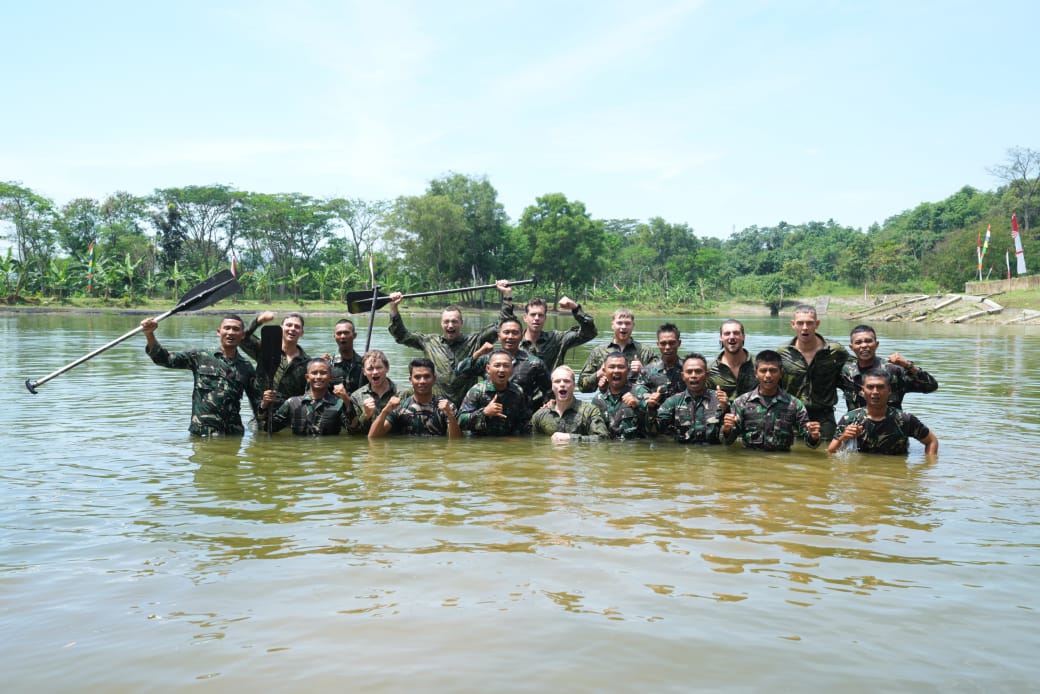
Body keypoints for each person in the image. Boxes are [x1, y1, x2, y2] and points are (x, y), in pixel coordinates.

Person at [386, 279, 513, 406]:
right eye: (446, 322)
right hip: (436, 409)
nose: (450, 325)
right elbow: (401, 336)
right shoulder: (428, 342)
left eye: (454, 321)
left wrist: (507, 296)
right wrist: (394, 307)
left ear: (461, 323)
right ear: (441, 323)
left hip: (467, 407)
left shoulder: (475, 341)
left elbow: (502, 326)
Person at [140, 313, 259, 436]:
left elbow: (257, 405)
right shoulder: (200, 357)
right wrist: (150, 334)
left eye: (236, 329)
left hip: (232, 435)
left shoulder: (246, 367)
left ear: (243, 335)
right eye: (227, 328)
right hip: (203, 434)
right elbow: (164, 359)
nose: (230, 332)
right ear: (219, 332)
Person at [722, 349, 821, 452]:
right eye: (763, 371)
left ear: (781, 373)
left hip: (781, 461)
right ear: (756, 373)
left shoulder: (794, 404)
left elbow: (811, 444)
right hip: (750, 460)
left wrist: (814, 435)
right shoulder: (741, 403)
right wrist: (726, 429)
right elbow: (728, 441)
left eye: (773, 370)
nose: (768, 375)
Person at [777, 305, 848, 441]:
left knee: (824, 457)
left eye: (809, 323)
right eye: (800, 323)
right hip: (791, 416)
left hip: (824, 418)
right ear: (793, 324)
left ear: (817, 324)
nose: (805, 327)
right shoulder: (783, 353)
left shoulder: (835, 351)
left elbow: (857, 370)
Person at [829, 370, 939, 455]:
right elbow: (831, 451)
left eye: (880, 387)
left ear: (889, 390)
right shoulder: (850, 418)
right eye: (870, 387)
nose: (875, 392)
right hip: (862, 477)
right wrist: (843, 438)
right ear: (863, 391)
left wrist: (928, 466)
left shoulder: (904, 419)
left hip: (895, 476)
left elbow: (931, 441)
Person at [455, 317, 551, 410]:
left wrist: (546, 406)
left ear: (521, 336)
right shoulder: (487, 359)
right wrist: (477, 354)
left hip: (521, 419)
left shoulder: (534, 363)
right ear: (499, 336)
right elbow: (459, 372)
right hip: (490, 417)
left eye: (515, 333)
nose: (510, 337)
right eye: (506, 332)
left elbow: (549, 390)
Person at [839, 324, 939, 411]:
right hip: (856, 429)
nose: (864, 345)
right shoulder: (845, 372)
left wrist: (908, 365)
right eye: (858, 342)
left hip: (890, 428)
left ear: (876, 344)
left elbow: (931, 386)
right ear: (851, 347)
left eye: (868, 341)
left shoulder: (894, 371)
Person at [369, 358, 462, 438]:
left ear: (434, 378)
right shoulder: (400, 408)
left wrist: (450, 416)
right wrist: (385, 411)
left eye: (427, 376)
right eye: (417, 377)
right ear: (410, 380)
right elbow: (373, 437)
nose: (422, 381)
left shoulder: (447, 407)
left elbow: (456, 442)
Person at [500, 296, 597, 370]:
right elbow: (503, 325)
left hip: (552, 393)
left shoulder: (556, 339)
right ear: (525, 317)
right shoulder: (514, 342)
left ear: (545, 318)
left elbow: (589, 333)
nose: (537, 318)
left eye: (540, 315)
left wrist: (575, 308)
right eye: (533, 315)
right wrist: (507, 297)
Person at [260, 358, 352, 435]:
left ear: (330, 377)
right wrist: (264, 406)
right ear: (307, 377)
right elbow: (269, 428)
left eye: (323, 373)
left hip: (327, 454)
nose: (318, 376)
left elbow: (354, 430)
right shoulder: (292, 403)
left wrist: (347, 400)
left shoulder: (339, 404)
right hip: (300, 454)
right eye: (314, 373)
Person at [241, 311, 310, 414]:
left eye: (297, 327)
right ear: (281, 328)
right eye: (289, 325)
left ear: (302, 333)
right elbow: (241, 337)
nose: (292, 329)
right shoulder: (265, 349)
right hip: (262, 413)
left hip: (289, 417)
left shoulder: (307, 362)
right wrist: (258, 321)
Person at [578, 309, 658, 393]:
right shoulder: (599, 352)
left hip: (637, 402)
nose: (623, 327)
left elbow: (663, 383)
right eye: (619, 323)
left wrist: (644, 371)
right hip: (608, 403)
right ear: (612, 325)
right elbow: (582, 387)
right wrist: (599, 373)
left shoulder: (645, 352)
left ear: (633, 325)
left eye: (627, 323)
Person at [654, 353, 728, 444]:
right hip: (683, 454)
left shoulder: (720, 400)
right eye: (689, 372)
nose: (693, 375)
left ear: (707, 375)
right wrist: (650, 408)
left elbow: (730, 438)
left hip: (712, 454)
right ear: (683, 376)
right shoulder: (673, 402)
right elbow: (654, 431)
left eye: (698, 371)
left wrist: (726, 409)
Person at [458, 350, 533, 436]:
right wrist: (484, 413)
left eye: (506, 366)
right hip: (479, 443)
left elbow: (524, 421)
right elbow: (460, 420)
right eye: (497, 365)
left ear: (512, 369)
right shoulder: (477, 391)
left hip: (507, 443)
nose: (501, 370)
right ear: (488, 369)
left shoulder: (517, 391)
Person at [531, 365, 609, 442]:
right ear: (552, 386)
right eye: (557, 381)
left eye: (567, 381)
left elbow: (603, 439)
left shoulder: (589, 411)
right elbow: (529, 441)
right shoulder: (540, 416)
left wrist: (571, 438)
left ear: (574, 385)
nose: (562, 384)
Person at [591, 352, 658, 439]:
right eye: (611, 367)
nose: (616, 370)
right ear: (604, 371)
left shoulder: (641, 393)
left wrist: (638, 406)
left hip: (635, 449)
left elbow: (655, 432)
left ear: (628, 370)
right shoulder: (598, 400)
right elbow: (594, 434)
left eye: (621, 367)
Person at [343, 349, 399, 434]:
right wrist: (366, 415)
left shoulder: (403, 393)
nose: (375, 372)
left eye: (379, 368)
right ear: (364, 372)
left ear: (387, 368)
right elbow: (353, 433)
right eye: (370, 369)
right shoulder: (356, 397)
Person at [708, 319, 757, 399]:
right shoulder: (710, 369)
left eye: (736, 333)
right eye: (727, 333)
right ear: (721, 338)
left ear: (743, 337)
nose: (732, 337)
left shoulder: (758, 365)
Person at [637, 323, 685, 398]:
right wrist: (648, 399)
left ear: (679, 343)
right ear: (658, 344)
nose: (667, 347)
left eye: (672, 343)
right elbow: (638, 392)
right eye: (663, 343)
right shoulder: (647, 371)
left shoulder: (689, 369)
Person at [328, 318, 367, 393]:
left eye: (346, 333)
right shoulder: (328, 365)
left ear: (354, 335)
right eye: (339, 333)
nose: (342, 336)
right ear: (334, 337)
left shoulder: (364, 364)